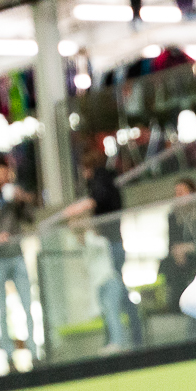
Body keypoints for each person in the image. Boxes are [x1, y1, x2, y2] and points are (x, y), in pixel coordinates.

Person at [54, 150, 144, 350]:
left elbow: (96, 200)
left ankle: (124, 337)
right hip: (113, 243)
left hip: (111, 245)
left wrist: (75, 210)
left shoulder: (100, 182)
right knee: (114, 296)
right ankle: (120, 336)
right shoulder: (107, 182)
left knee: (115, 295)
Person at [0, 156, 41, 368]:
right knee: (2, 308)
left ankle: (33, 348)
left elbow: (30, 218)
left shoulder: (13, 194)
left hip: (16, 255)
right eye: (0, 172)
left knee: (27, 304)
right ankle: (8, 353)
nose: (3, 176)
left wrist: (21, 200)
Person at [160, 178, 196, 312]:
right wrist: (177, 252)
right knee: (169, 264)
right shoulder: (173, 216)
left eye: (182, 192)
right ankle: (177, 305)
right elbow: (172, 242)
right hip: (185, 256)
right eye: (177, 193)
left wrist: (191, 247)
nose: (178, 196)